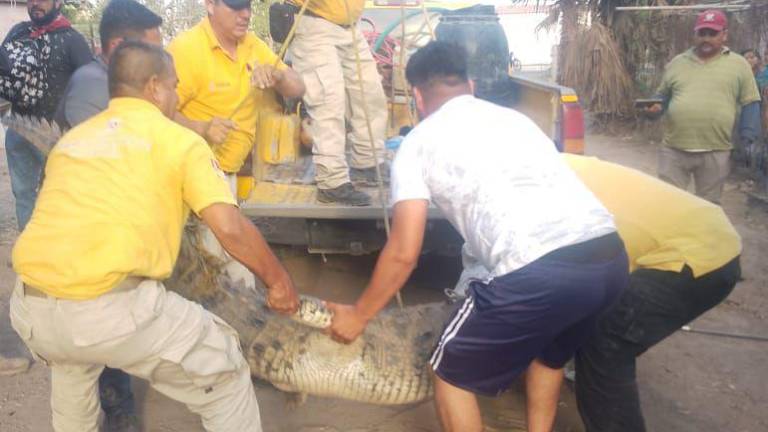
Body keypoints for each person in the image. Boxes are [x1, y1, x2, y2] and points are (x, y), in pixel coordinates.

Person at [326, 41, 629, 432]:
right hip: (608, 258)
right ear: (470, 85)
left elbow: (404, 252)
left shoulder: (416, 144)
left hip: (537, 270)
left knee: (449, 372)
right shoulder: (516, 120)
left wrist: (359, 314)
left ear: (417, 96)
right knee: (549, 357)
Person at [9, 41, 299, 432]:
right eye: (174, 85)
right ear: (155, 87)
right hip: (107, 310)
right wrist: (279, 281)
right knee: (227, 369)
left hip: (32, 309)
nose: (177, 95)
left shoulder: (72, 142)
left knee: (73, 375)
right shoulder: (177, 140)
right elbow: (229, 227)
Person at [562, 154, 741, 432]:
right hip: (708, 235)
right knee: (595, 329)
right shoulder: (559, 164)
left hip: (695, 254)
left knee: (606, 341)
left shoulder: (537, 189)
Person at [53, 1, 163, 429]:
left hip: (106, 231)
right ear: (118, 46)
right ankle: (116, 410)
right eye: (151, 51)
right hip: (86, 236)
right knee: (95, 340)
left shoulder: (115, 87)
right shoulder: (91, 87)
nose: (159, 61)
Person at [167, 0, 304, 194]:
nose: (246, 14)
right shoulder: (185, 50)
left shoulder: (253, 45)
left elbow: (298, 87)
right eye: (235, 6)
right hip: (189, 177)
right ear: (210, 5)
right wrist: (201, 127)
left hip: (226, 174)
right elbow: (153, 112)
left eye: (247, 5)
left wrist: (278, 77)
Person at [646, 9, 761, 204]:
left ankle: (700, 236)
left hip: (715, 151)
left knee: (708, 207)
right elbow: (662, 96)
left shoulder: (739, 64)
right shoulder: (677, 62)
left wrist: (748, 138)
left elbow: (750, 102)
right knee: (668, 203)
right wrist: (653, 110)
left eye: (712, 33)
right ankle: (674, 235)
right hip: (674, 150)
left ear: (724, 34)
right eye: (702, 33)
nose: (706, 38)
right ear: (695, 35)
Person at [0, 0, 91, 229]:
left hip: (54, 137)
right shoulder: (17, 32)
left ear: (58, 2)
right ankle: (30, 255)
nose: (35, 4)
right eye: (31, 0)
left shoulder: (72, 40)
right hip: (18, 129)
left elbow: (90, 86)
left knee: (61, 198)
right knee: (24, 195)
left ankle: (59, 256)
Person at [289, 0, 389, 205]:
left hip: (350, 25)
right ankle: (332, 181)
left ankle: (367, 162)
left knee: (370, 93)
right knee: (328, 101)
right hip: (314, 22)